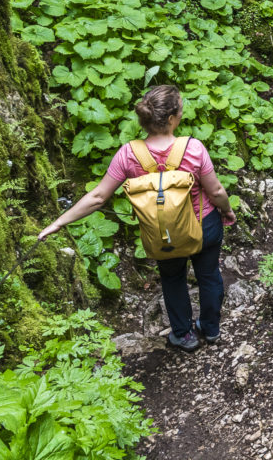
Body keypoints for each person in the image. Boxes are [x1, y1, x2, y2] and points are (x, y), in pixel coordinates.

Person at [39, 84, 237, 351]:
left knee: (173, 278)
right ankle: (211, 330)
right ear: (170, 119)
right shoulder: (194, 148)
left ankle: (183, 335)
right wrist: (226, 210)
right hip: (204, 224)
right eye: (179, 108)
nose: (182, 112)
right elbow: (215, 191)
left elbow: (98, 197)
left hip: (162, 233)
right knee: (209, 275)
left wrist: (59, 222)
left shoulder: (128, 154)